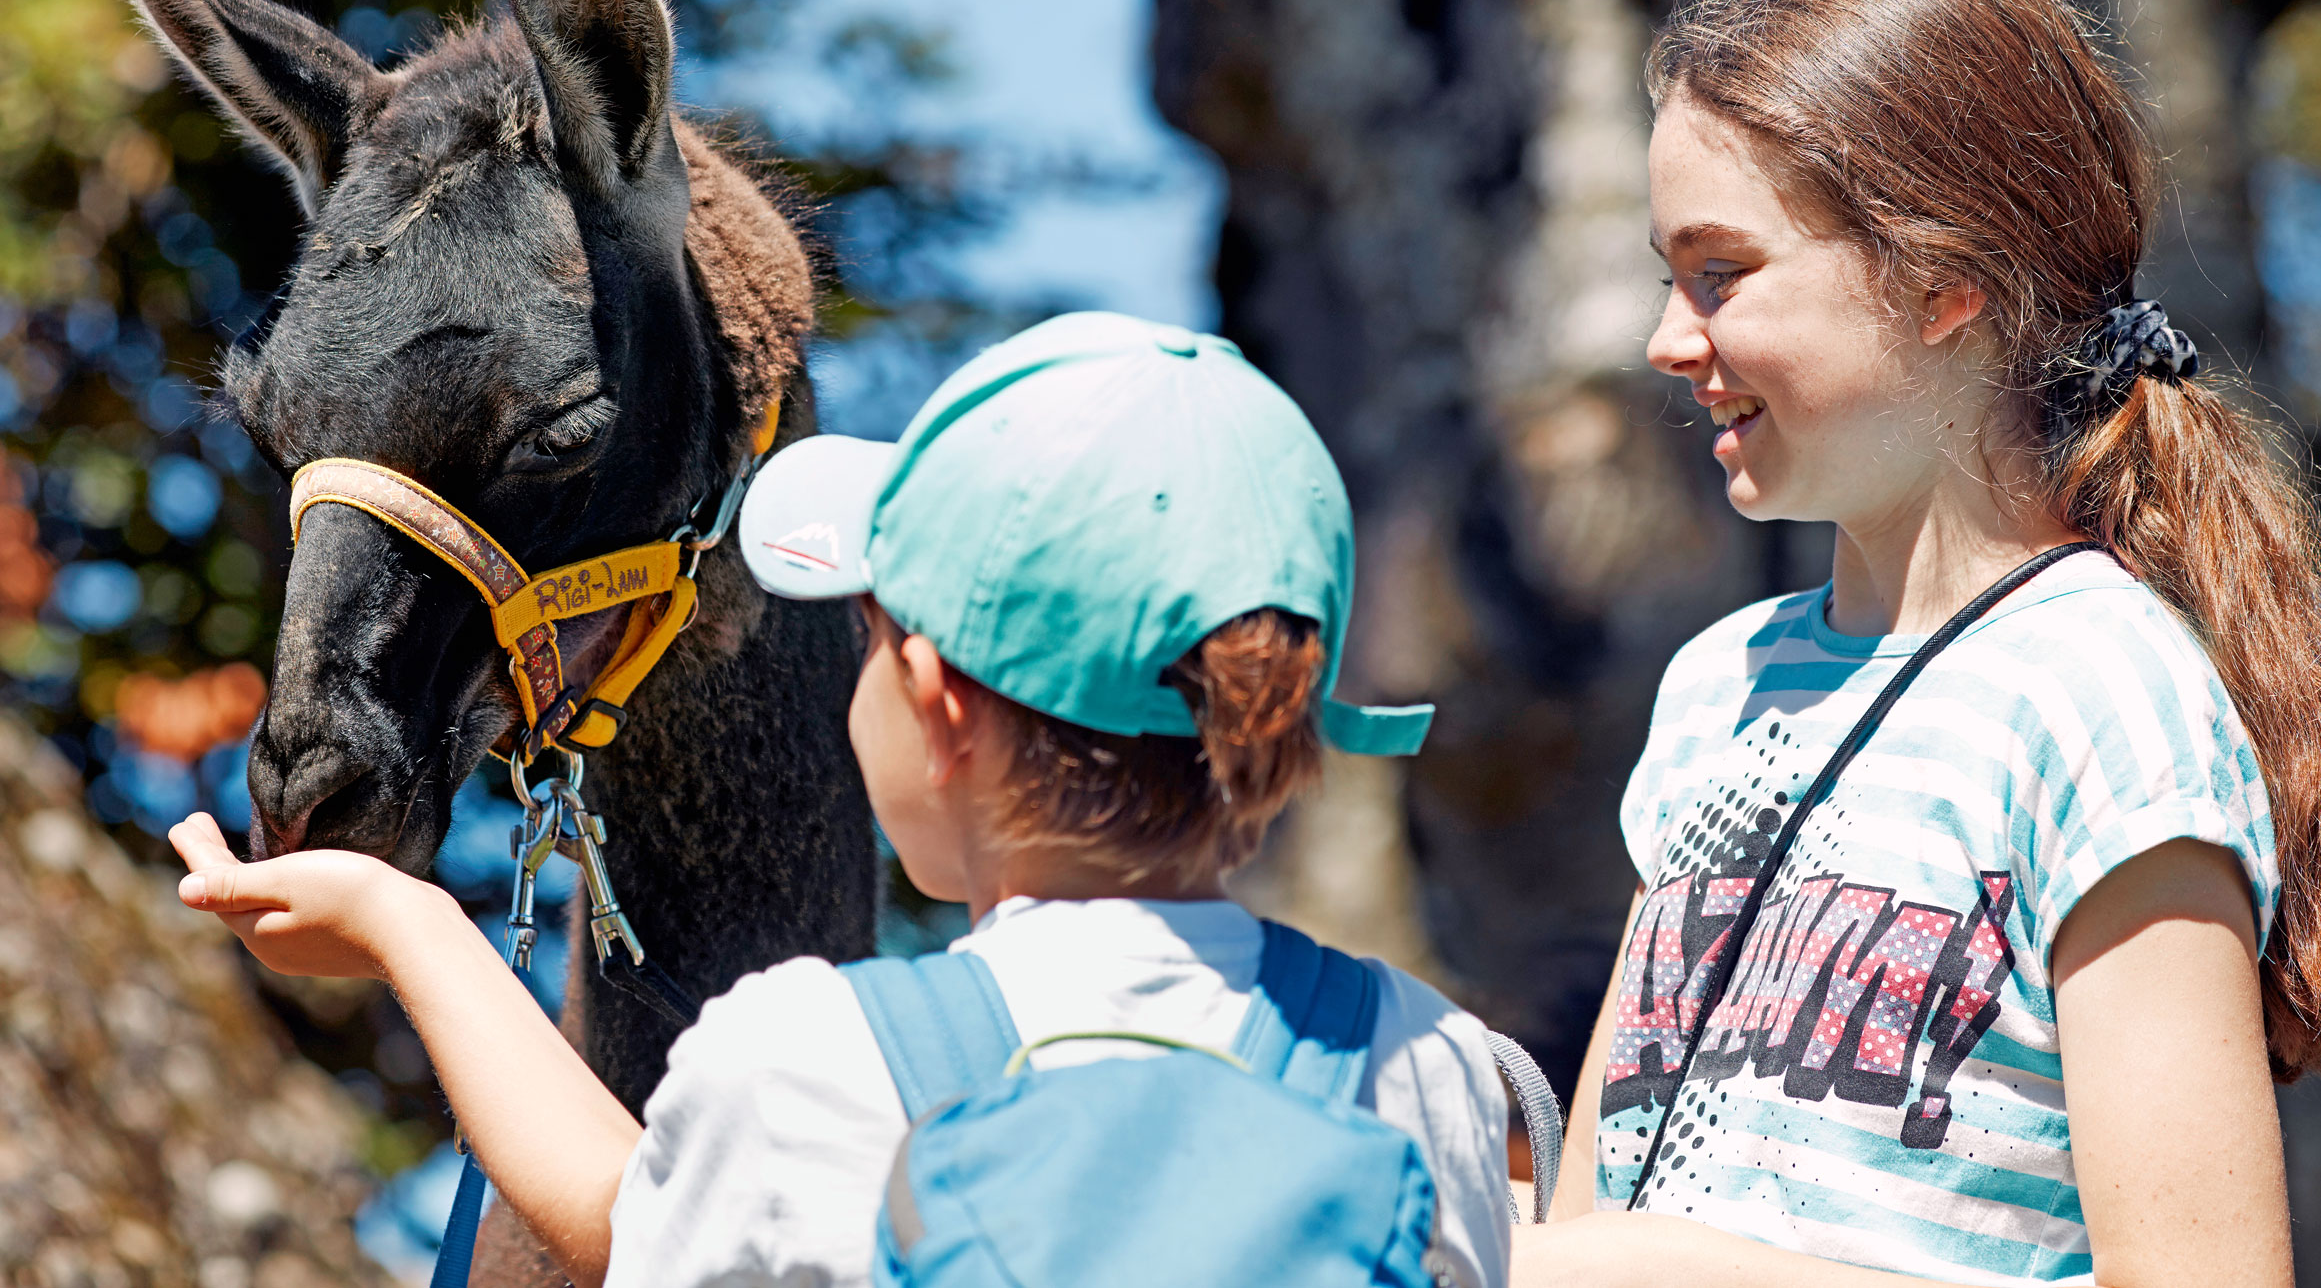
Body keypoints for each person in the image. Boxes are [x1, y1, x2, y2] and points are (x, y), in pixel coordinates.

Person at [170, 310, 1515, 1287]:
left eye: (866, 636)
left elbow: (612, 1215)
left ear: (932, 697)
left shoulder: (815, 1061)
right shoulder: (1435, 1067)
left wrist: (404, 927)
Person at [1513, 0, 2321, 1288]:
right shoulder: (1717, 689)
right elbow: (1589, 1226)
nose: (1670, 339)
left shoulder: (2103, 697)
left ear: (1946, 280)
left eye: (1722, 273)